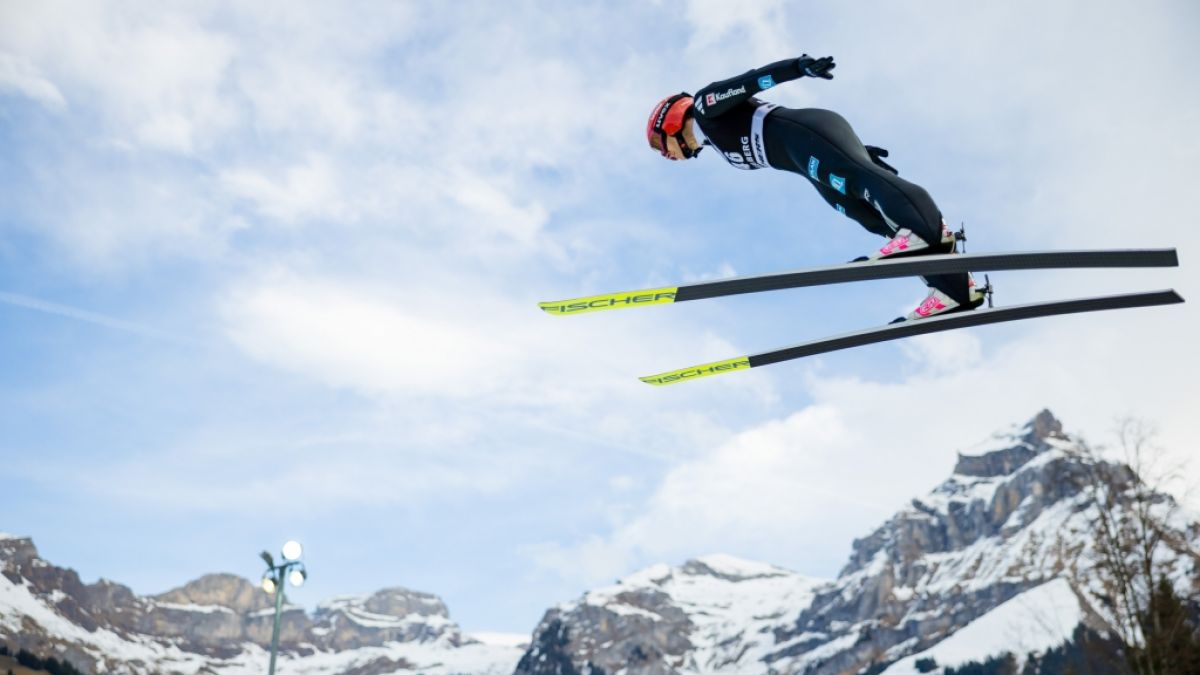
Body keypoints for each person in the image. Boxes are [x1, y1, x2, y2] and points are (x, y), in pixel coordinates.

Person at [646, 55, 986, 321]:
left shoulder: (705, 106)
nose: (666, 155)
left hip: (808, 134)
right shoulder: (715, 144)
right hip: (803, 162)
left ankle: (926, 227)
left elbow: (751, 81)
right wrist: (860, 152)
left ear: (670, 122)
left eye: (661, 146)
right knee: (871, 218)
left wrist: (798, 67)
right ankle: (955, 290)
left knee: (859, 181)